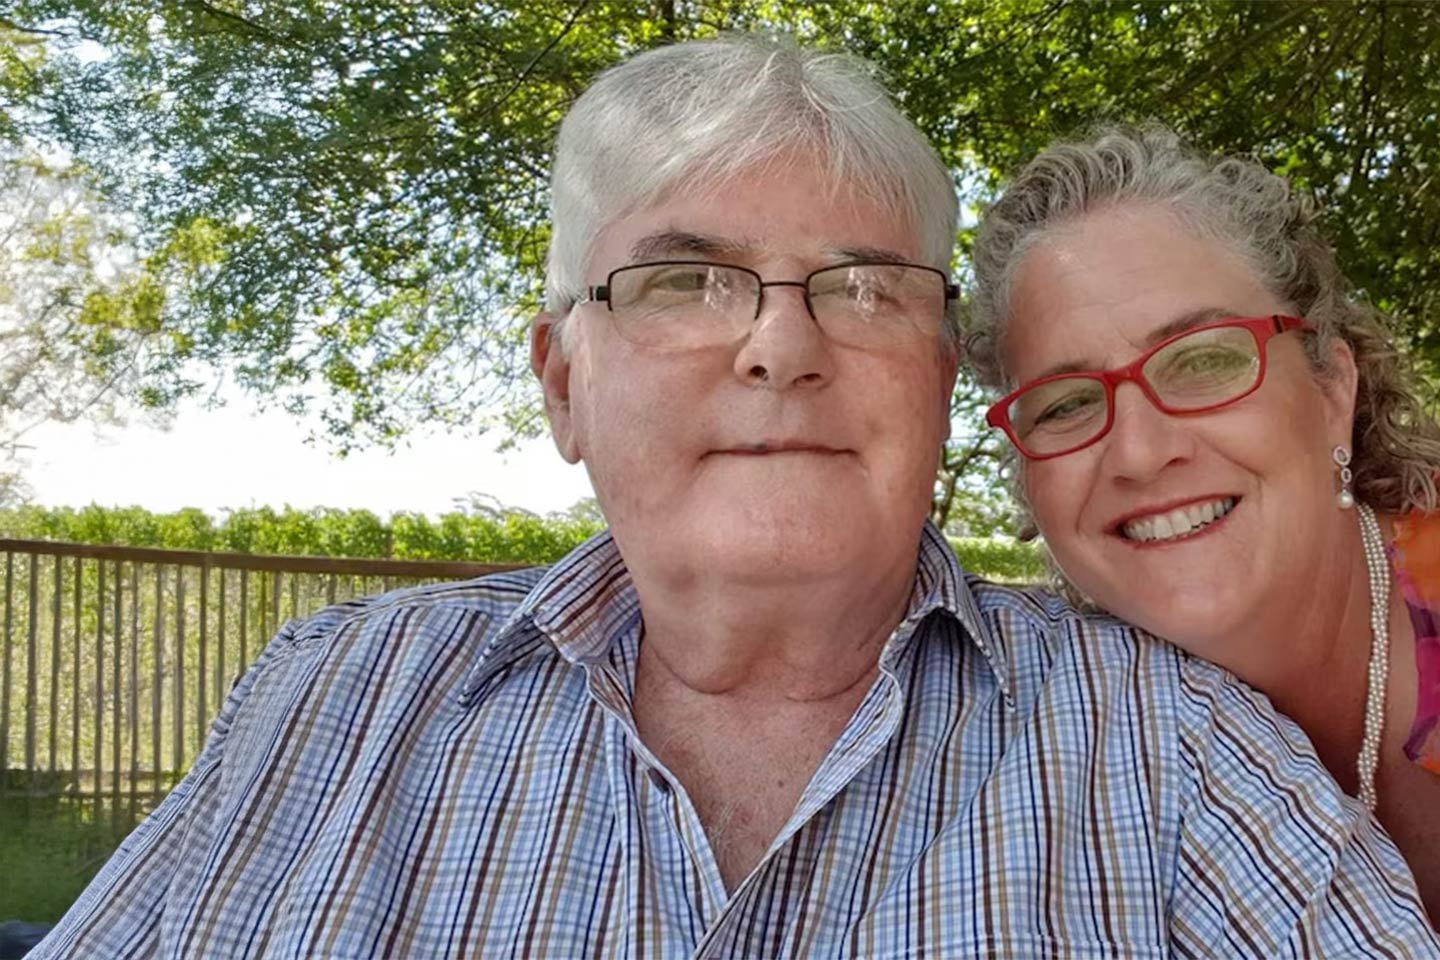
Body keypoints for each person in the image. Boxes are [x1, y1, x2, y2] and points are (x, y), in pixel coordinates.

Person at [34, 42, 1439, 959]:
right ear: (563, 381)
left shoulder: (1174, 747)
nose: (781, 344)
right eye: (681, 279)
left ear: (938, 380)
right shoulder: (332, 702)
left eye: (861, 285)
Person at [969, 123, 1440, 923]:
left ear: (1331, 388)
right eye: (1068, 403)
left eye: (1204, 360)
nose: (1141, 453)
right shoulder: (1060, 736)